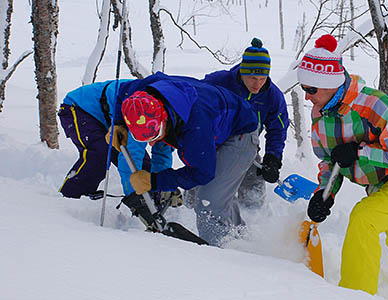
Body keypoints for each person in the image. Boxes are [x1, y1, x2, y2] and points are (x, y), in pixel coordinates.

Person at [296, 34, 388, 295]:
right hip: (380, 184)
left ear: (330, 83)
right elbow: (328, 162)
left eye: (311, 89)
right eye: (303, 89)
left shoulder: (375, 105)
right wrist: (324, 194)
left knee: (364, 219)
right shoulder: (320, 115)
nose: (308, 98)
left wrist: (359, 152)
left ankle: (355, 292)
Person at [108, 72, 259, 246]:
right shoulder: (144, 93)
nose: (151, 143)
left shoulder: (195, 124)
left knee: (209, 202)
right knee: (219, 194)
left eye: (155, 134)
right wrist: (119, 123)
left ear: (164, 117)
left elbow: (202, 172)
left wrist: (154, 181)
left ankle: (221, 256)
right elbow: (124, 92)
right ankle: (241, 240)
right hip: (219, 126)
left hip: (240, 135)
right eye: (144, 139)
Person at [58, 80, 180, 207]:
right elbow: (130, 157)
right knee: (101, 153)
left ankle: (152, 198)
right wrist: (135, 198)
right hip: (79, 108)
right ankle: (69, 198)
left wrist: (160, 186)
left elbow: (162, 153)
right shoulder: (141, 117)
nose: (152, 143)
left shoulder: (169, 120)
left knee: (144, 172)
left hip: (112, 117)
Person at [201, 37, 289, 208]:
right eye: (253, 78)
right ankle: (189, 215)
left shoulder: (272, 96)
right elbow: (195, 103)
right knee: (202, 189)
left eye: (263, 78)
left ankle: (251, 222)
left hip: (247, 149)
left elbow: (278, 130)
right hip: (212, 147)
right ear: (242, 72)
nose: (258, 84)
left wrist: (272, 159)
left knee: (253, 193)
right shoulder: (219, 82)